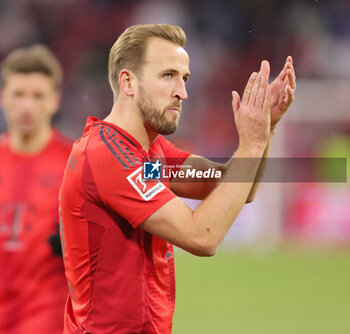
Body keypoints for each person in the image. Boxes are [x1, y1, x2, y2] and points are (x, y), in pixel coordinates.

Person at [59, 24, 296, 334]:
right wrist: (250, 144)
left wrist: (264, 131)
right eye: (168, 75)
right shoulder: (106, 155)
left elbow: (236, 184)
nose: (182, 93)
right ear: (128, 82)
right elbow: (202, 237)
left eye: (184, 79)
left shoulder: (152, 155)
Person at [0, 45, 71, 333]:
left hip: (47, 318)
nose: (27, 106)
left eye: (37, 96)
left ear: (55, 100)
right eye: (19, 94)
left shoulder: (76, 164)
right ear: (4, 97)